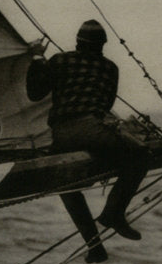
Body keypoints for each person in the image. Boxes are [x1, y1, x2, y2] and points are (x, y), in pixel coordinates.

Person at [26, 20, 148, 240]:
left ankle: (94, 245)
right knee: (140, 155)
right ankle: (114, 214)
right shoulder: (110, 68)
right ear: (102, 45)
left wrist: (37, 57)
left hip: (61, 135)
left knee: (66, 183)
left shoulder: (60, 61)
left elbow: (34, 93)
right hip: (92, 130)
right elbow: (106, 105)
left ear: (77, 42)